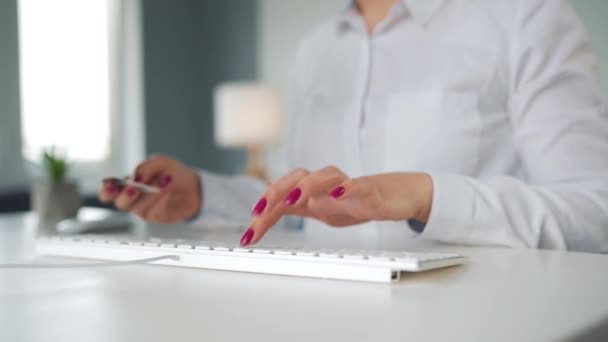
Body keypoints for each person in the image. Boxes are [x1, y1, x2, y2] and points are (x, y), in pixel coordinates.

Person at [99, 0, 608, 253]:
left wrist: (426, 196)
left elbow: (595, 211)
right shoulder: (317, 49)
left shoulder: (527, 20)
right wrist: (199, 195)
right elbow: (301, 209)